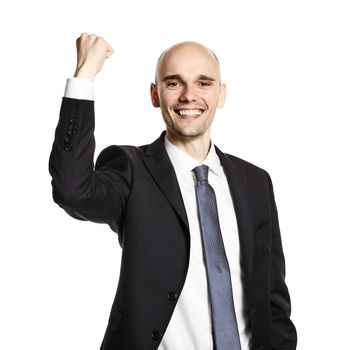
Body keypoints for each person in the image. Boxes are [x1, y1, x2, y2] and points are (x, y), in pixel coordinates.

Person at [49, 33, 297, 350]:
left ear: (221, 95)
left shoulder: (256, 181)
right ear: (155, 94)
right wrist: (84, 75)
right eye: (174, 83)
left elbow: (272, 298)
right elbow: (71, 190)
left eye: (204, 83)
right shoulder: (131, 170)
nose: (189, 95)